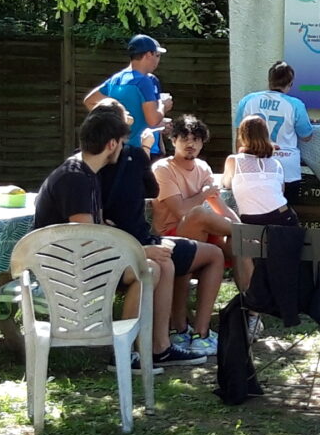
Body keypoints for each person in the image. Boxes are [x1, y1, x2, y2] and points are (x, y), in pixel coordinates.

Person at [33, 101, 221, 365]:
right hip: (64, 269)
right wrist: (140, 250)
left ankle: (158, 348)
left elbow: (93, 231)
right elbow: (85, 241)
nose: (124, 148)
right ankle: (124, 351)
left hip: (78, 260)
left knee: (161, 263)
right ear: (112, 144)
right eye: (121, 143)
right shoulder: (75, 177)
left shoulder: (86, 173)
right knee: (150, 267)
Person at [221, 115, 294, 294]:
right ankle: (261, 297)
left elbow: (226, 184)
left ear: (242, 136)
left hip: (254, 225)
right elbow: (280, 191)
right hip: (285, 219)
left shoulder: (233, 161)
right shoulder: (276, 164)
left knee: (237, 242)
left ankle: (251, 299)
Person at [231, 61, 315, 201]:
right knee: (285, 213)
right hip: (286, 169)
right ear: (290, 83)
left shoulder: (248, 100)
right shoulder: (295, 105)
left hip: (254, 166)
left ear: (269, 80)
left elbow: (239, 136)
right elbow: (306, 136)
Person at [151, 113, 235, 243]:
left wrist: (241, 227)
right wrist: (204, 194)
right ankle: (242, 232)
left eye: (195, 139)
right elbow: (181, 211)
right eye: (184, 139)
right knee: (198, 214)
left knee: (236, 244)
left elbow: (221, 208)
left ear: (202, 144)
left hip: (201, 229)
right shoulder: (162, 168)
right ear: (174, 141)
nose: (190, 144)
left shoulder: (203, 167)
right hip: (170, 236)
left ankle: (244, 233)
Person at [87, 35, 170, 153]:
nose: (158, 60)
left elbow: (89, 101)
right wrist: (163, 106)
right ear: (148, 55)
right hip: (143, 150)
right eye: (157, 55)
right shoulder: (144, 81)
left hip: (117, 149)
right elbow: (153, 120)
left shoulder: (116, 79)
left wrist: (111, 121)